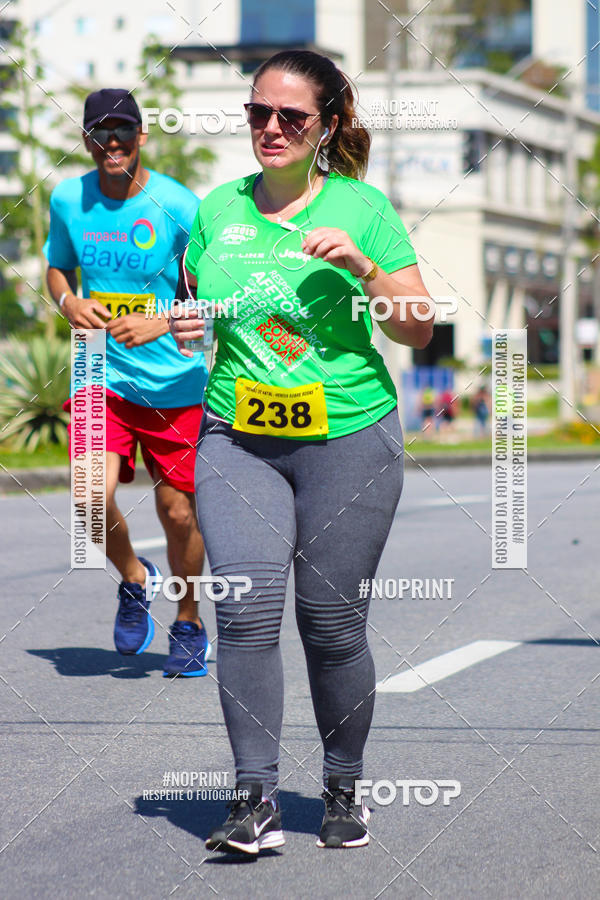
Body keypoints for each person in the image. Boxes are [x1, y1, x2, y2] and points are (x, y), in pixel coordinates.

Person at [170, 50, 433, 852]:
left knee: (330, 623)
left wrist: (362, 267)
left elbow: (418, 326)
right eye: (259, 113)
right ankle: (254, 799)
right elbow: (197, 304)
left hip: (347, 439)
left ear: (326, 128)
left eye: (292, 118)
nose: (272, 129)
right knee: (244, 611)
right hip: (238, 436)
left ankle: (344, 785)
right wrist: (190, 324)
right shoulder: (217, 209)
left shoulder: (362, 210)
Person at [45, 88, 212, 677]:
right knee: (89, 497)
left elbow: (211, 294)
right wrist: (67, 301)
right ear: (87, 139)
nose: (111, 141)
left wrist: (164, 320)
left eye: (123, 130)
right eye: (99, 131)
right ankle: (135, 580)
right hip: (100, 371)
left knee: (179, 514)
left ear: (142, 136)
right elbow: (56, 266)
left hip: (174, 383)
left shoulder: (180, 205)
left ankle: (189, 619)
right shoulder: (68, 199)